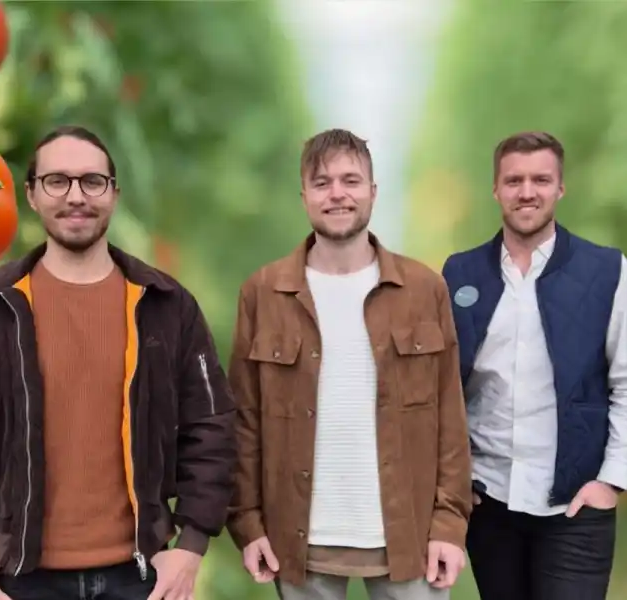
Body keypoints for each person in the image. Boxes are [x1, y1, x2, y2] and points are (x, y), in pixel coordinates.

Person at [0, 125, 237, 600]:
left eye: (92, 182)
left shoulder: (166, 306)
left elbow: (212, 426)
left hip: (139, 579)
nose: (75, 196)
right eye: (57, 181)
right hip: (18, 579)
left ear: (114, 194)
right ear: (33, 195)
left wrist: (192, 545)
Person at [226, 128, 472, 600]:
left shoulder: (424, 290)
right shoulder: (263, 292)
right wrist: (247, 521)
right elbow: (246, 421)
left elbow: (449, 417)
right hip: (297, 540)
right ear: (304, 197)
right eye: (322, 183)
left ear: (373, 193)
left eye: (350, 180)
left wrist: (448, 523)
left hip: (411, 537)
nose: (337, 193)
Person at [442, 131, 626, 600]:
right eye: (514, 180)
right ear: (496, 189)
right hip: (490, 503)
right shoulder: (458, 274)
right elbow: (441, 389)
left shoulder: (608, 272)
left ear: (560, 187)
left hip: (576, 506)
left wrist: (610, 483)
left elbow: (625, 383)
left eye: (541, 179)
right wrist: (455, 482)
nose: (527, 191)